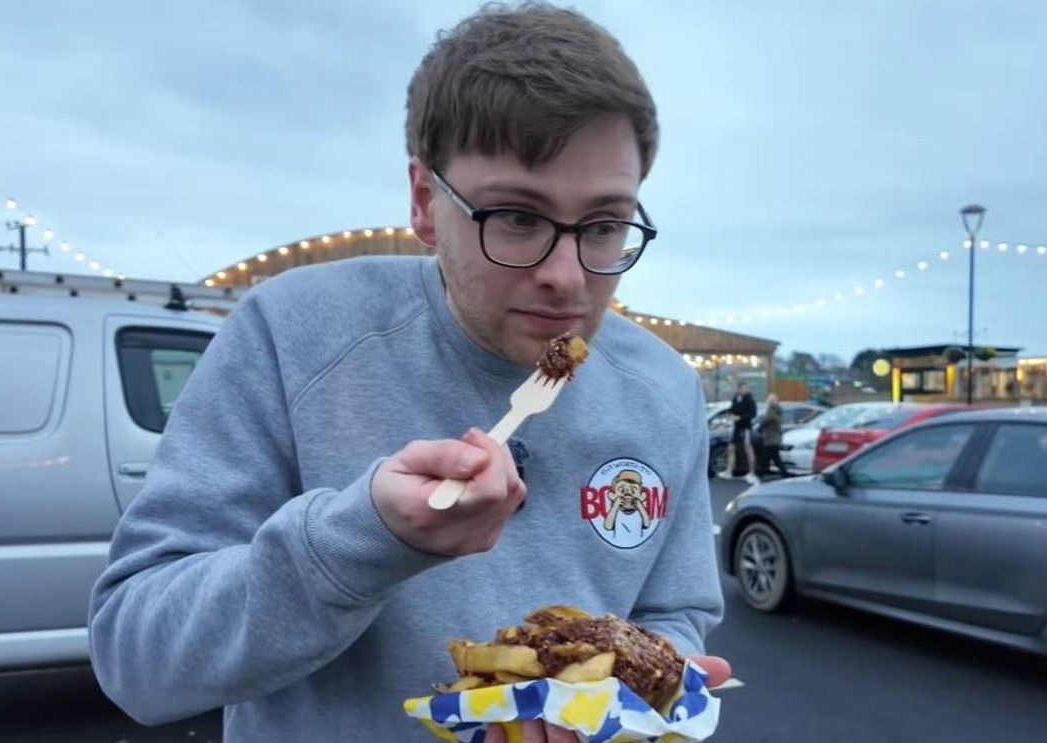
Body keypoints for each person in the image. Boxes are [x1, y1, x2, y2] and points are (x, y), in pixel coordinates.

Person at [88, 4, 730, 741]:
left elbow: (674, 614)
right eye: (517, 218)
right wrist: (359, 539)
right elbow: (136, 658)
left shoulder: (666, 392)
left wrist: (646, 686)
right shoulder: (292, 333)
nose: (566, 276)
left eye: (605, 225)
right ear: (426, 202)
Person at [719, 381, 759, 484]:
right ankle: (729, 471)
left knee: (748, 447)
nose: (741, 390)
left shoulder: (750, 400)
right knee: (731, 448)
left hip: (745, 427)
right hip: (736, 427)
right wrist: (729, 415)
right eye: (740, 388)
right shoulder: (736, 399)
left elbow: (753, 414)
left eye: (744, 388)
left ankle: (752, 473)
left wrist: (740, 417)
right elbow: (732, 409)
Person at [758, 393, 790, 478]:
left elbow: (765, 421)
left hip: (770, 438)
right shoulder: (778, 410)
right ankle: (766, 471)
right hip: (776, 437)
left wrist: (760, 426)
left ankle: (764, 472)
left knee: (771, 457)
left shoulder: (771, 411)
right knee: (771, 456)